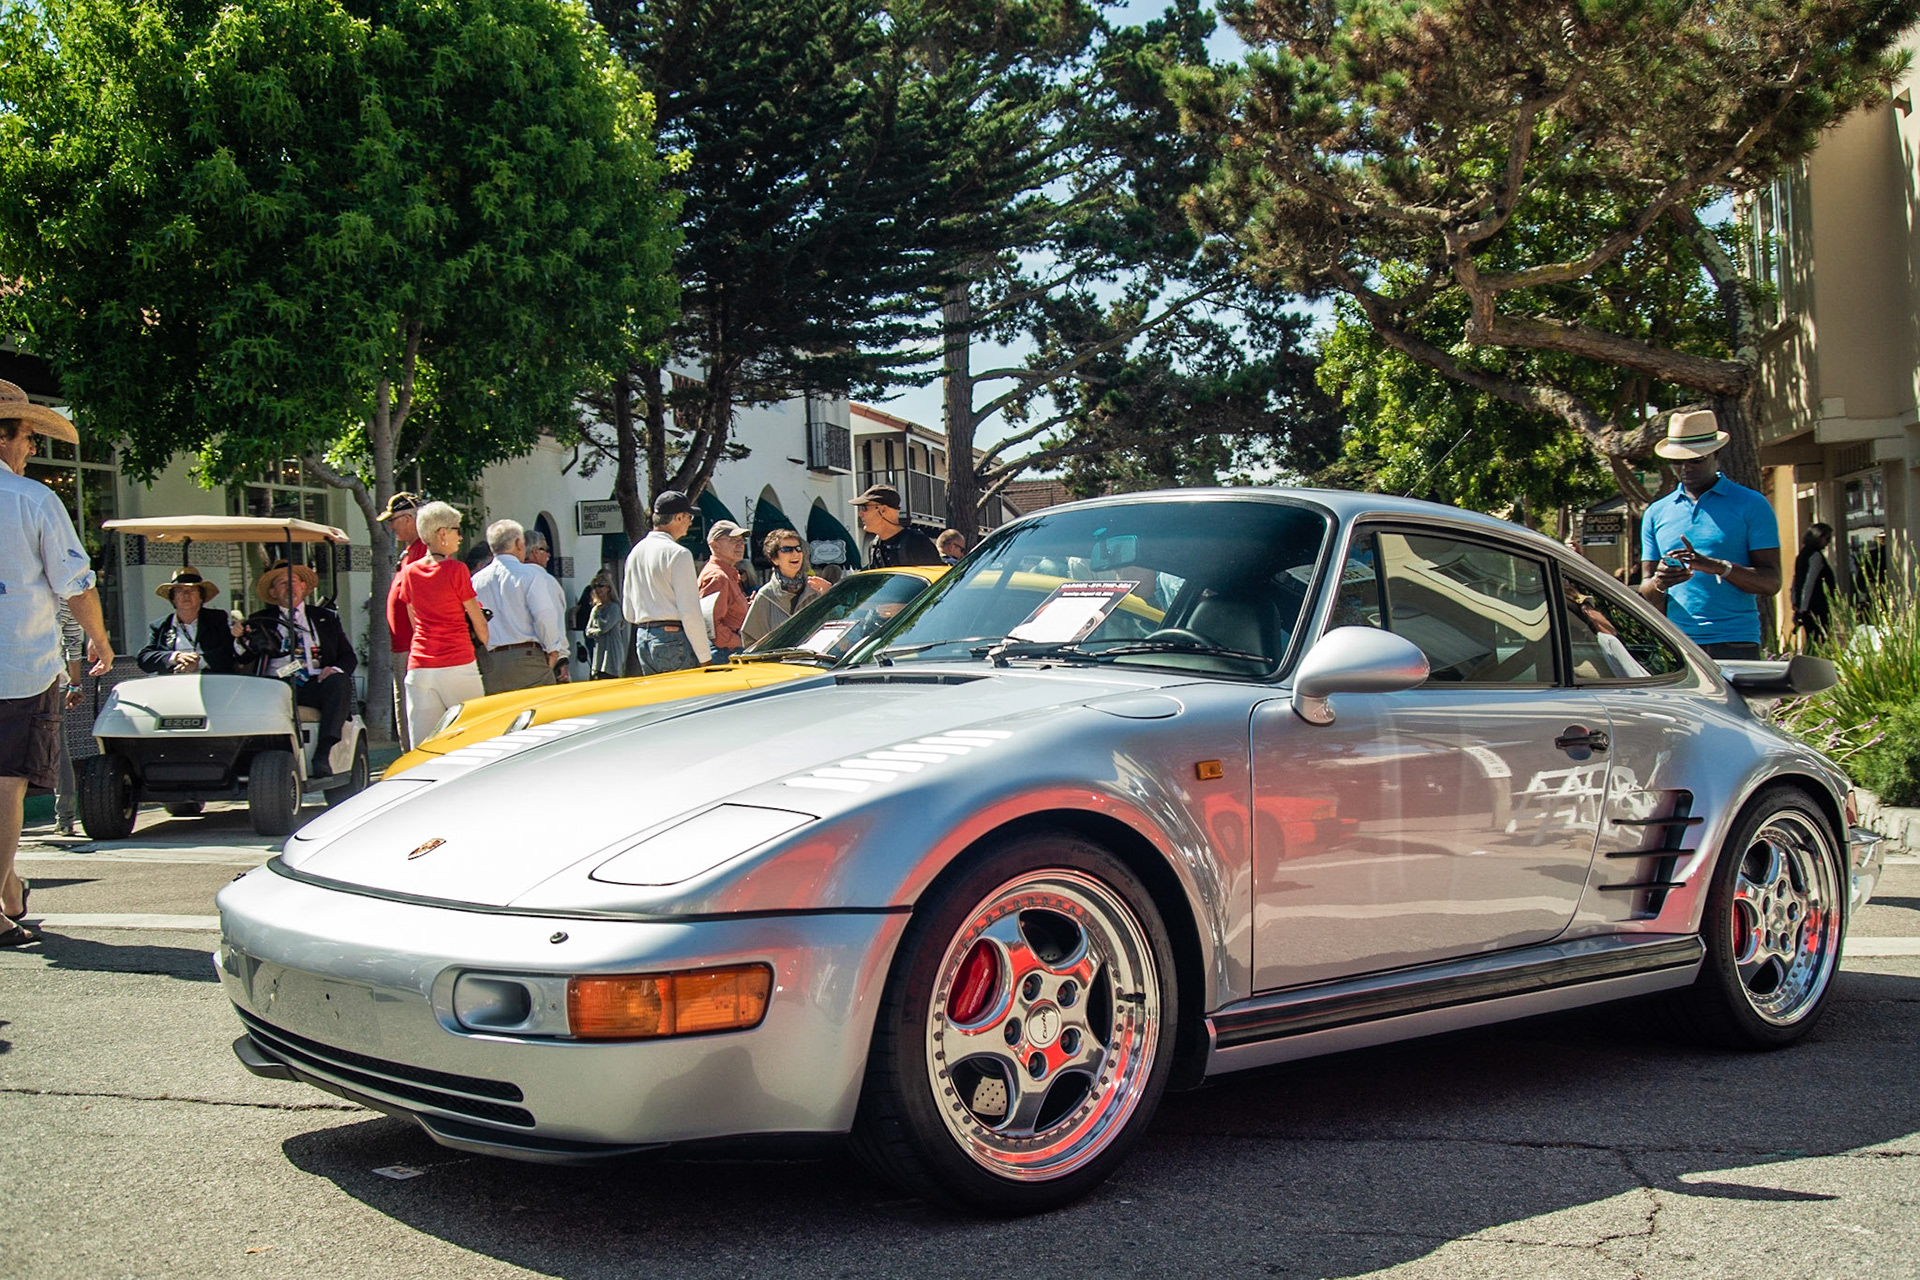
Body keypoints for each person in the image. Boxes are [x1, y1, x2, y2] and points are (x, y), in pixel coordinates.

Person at [1, 384, 114, 946]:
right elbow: (76, 584)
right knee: (7, 789)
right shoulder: (31, 499)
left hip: (19, 666)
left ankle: (10, 890)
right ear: (3, 437)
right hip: (17, 666)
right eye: (26, 436)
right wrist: (99, 640)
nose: (31, 448)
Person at [1638, 410, 1781, 659]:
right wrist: (1661, 582)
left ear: (1717, 455)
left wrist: (1716, 567)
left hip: (1735, 641)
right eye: (1676, 461)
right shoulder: (1656, 512)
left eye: (1696, 460)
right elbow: (1646, 589)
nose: (1685, 468)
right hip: (1677, 643)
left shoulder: (1751, 504)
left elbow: (1771, 582)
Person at [247, 559, 356, 778]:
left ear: (304, 587)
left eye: (294, 581)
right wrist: (241, 638)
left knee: (339, 681)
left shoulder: (325, 618)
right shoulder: (260, 620)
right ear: (273, 592)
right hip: (275, 686)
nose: (290, 587)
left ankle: (323, 753)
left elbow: (348, 656)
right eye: (282, 583)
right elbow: (246, 656)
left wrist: (334, 668)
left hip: (313, 683)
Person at [393, 502, 490, 746]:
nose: (460, 536)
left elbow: (414, 620)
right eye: (457, 530)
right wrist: (484, 640)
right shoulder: (456, 570)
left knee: (424, 745)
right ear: (442, 533)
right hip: (457, 662)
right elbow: (476, 616)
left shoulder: (409, 572)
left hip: (420, 666)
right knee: (475, 738)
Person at [471, 519, 567, 695]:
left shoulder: (476, 580)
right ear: (518, 544)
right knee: (539, 708)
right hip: (527, 657)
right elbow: (544, 615)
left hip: (489, 661)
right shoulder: (530, 575)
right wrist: (554, 650)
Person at [622, 490, 713, 674]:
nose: (690, 522)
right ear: (678, 517)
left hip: (643, 637)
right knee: (685, 692)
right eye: (689, 517)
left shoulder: (635, 552)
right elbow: (689, 611)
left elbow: (629, 613)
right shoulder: (678, 553)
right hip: (673, 637)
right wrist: (705, 657)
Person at [377, 491, 426, 747]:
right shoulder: (411, 550)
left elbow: (418, 599)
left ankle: (414, 757)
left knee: (412, 708)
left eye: (393, 520)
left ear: (408, 519)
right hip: (405, 645)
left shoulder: (423, 549)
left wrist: (420, 639)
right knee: (406, 706)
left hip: (412, 644)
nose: (391, 527)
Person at [137, 567, 243, 674]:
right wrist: (176, 657)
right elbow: (144, 658)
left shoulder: (216, 619)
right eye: (180, 591)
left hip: (212, 680)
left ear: (201, 597)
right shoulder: (161, 625)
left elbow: (228, 651)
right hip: (173, 681)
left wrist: (198, 662)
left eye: (192, 590)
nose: (186, 595)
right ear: (173, 598)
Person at [741, 529, 826, 648]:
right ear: (774, 559)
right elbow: (752, 642)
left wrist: (833, 597)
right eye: (787, 549)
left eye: (798, 549)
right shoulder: (766, 596)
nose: (795, 553)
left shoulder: (816, 589)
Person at [51, 599, 85, 836]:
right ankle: (65, 818)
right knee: (57, 747)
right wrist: (75, 683)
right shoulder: (64, 591)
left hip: (10, 682)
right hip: (52, 679)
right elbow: (73, 641)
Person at [522, 529, 572, 682]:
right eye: (545, 549)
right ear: (535, 552)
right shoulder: (545, 580)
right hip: (543, 657)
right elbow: (553, 621)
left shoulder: (512, 578)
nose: (549, 554)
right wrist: (561, 658)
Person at [852, 483, 942, 568]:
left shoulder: (916, 542)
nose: (860, 514)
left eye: (865, 508)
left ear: (883, 510)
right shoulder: (874, 546)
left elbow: (936, 577)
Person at [699, 519, 752, 660]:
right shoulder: (718, 577)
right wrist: (740, 642)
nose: (740, 545)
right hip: (726, 653)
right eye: (733, 540)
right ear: (714, 545)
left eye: (742, 540)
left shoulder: (727, 574)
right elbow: (712, 627)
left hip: (729, 650)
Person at [1791, 522, 1837, 643]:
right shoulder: (1815, 556)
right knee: (1819, 638)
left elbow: (1796, 580)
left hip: (1806, 606)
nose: (1828, 542)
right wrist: (1803, 608)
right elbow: (1809, 582)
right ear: (1818, 537)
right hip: (1816, 606)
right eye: (1827, 538)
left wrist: (1796, 601)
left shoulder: (1802, 555)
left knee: (1812, 638)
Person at [584, 575, 629, 679]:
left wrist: (598, 616)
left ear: (608, 588)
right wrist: (598, 631)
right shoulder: (595, 609)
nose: (597, 589)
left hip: (612, 653)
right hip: (598, 654)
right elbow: (587, 632)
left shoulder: (614, 608)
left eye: (600, 585)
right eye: (594, 586)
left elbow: (605, 627)